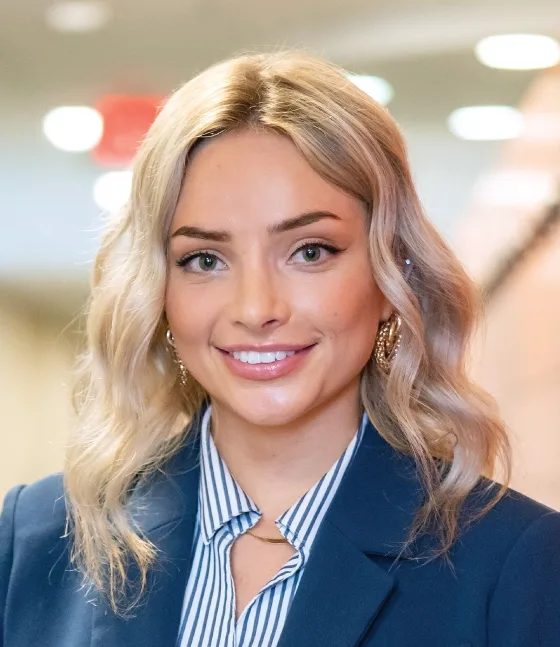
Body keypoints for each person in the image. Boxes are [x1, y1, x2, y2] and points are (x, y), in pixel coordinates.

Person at [1, 51, 559, 647]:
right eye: (204, 260)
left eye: (310, 251)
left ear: (391, 272)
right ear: (158, 292)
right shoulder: (35, 538)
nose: (256, 307)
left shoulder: (515, 562)